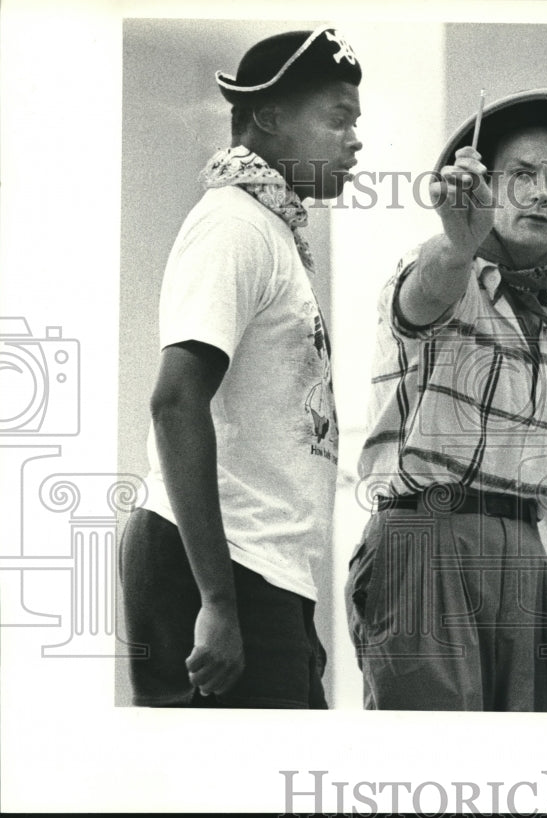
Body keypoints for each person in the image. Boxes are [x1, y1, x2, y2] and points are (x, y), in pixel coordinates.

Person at [346, 88, 547, 710]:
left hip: (524, 548)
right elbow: (424, 295)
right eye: (521, 175)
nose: (540, 193)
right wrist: (456, 241)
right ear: (489, 187)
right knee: (434, 763)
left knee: (542, 757)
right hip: (426, 537)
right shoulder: (440, 270)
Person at [119, 26, 363, 708]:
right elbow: (175, 403)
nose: (355, 139)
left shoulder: (272, 229)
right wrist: (217, 602)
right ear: (268, 118)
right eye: (338, 117)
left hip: (264, 567)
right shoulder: (234, 224)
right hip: (222, 570)